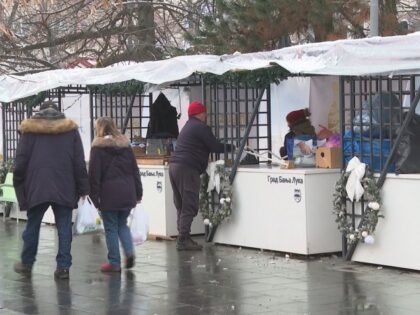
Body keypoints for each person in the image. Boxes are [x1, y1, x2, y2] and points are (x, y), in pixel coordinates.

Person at [13, 100, 89, 280]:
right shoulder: (70, 131)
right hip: (64, 185)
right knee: (64, 228)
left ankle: (27, 263)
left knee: (32, 226)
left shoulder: (29, 132)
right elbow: (79, 163)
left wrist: (20, 187)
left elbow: (20, 163)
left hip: (37, 186)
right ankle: (63, 267)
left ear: (39, 113)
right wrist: (83, 188)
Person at [169, 101, 233, 251]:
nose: (207, 116)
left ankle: (183, 236)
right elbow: (215, 146)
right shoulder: (200, 127)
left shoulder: (187, 126)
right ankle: (183, 239)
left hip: (175, 167)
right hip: (187, 169)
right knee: (189, 204)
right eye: (205, 113)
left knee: (181, 204)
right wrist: (234, 147)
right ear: (200, 114)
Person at [88, 117, 142, 272]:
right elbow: (134, 170)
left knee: (111, 227)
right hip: (127, 192)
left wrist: (94, 199)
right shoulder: (126, 146)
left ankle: (114, 262)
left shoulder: (98, 148)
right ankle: (129, 252)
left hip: (109, 195)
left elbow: (94, 176)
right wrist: (138, 192)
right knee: (122, 225)